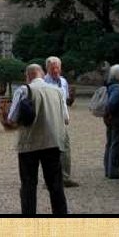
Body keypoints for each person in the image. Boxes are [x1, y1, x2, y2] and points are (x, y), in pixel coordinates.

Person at [6, 63, 69, 215]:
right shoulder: (58, 91)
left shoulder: (23, 90)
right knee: (55, 184)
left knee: (28, 184)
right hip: (53, 142)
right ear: (42, 74)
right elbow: (66, 118)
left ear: (27, 76)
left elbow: (11, 118)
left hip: (29, 143)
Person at [44, 56, 79, 187]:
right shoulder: (44, 82)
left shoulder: (63, 81)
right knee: (50, 150)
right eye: (53, 67)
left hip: (62, 119)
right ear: (47, 68)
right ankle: (51, 179)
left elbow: (65, 101)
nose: (55, 70)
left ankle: (65, 177)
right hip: (49, 120)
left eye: (57, 67)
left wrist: (66, 116)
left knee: (65, 148)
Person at [104, 64, 119, 179]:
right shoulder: (118, 88)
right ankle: (114, 170)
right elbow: (112, 103)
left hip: (111, 118)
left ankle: (108, 169)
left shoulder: (110, 85)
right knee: (117, 144)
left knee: (110, 143)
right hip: (117, 118)